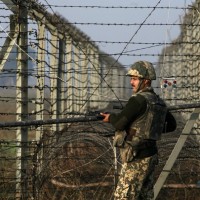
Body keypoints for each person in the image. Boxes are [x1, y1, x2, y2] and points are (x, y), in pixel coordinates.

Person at [101, 61, 176, 200]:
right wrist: (149, 129)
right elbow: (171, 125)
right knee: (143, 196)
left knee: (123, 196)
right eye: (131, 79)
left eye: (135, 79)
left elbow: (120, 123)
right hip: (151, 155)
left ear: (146, 81)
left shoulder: (138, 100)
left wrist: (110, 118)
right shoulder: (158, 101)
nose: (131, 82)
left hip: (136, 156)